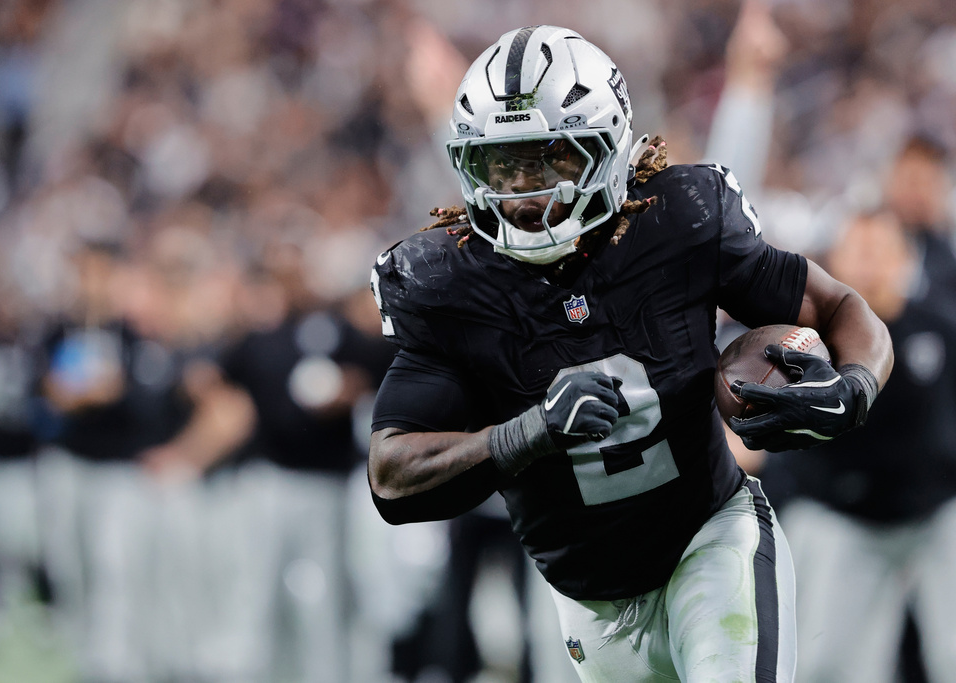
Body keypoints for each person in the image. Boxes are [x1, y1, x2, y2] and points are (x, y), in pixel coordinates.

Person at [367, 25, 893, 683]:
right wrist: (530, 430)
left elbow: (844, 310)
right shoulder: (451, 283)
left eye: (549, 159)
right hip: (586, 594)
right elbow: (392, 473)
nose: (523, 194)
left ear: (607, 148)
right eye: (502, 165)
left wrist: (855, 387)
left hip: (709, 540)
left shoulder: (681, 220)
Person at [757, 209, 956, 683]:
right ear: (837, 263)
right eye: (858, 251)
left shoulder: (940, 328)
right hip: (847, 520)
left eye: (880, 251)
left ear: (905, 261)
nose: (869, 264)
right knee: (830, 664)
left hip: (936, 514)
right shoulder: (810, 347)